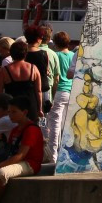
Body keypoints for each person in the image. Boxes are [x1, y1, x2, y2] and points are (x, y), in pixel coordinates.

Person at [43, 31, 74, 164]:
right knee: (66, 124)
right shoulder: (73, 55)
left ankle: (53, 154)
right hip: (71, 91)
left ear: (55, 43)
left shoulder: (55, 55)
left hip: (59, 90)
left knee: (54, 122)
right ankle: (65, 153)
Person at [0, 42, 42, 123]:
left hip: (12, 109)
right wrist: (40, 109)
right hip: (30, 107)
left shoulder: (4, 70)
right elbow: (38, 91)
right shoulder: (34, 68)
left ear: (11, 53)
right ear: (26, 53)